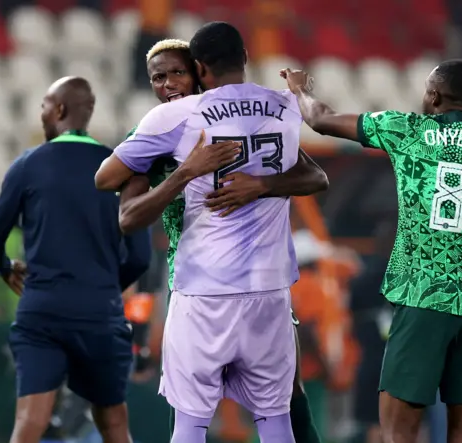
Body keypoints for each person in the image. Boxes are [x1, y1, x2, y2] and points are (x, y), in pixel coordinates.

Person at [281, 60, 462, 443]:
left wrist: (299, 89)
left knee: (398, 432)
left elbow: (322, 120)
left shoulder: (408, 130)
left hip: (422, 296)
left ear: (435, 95)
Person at [95, 22, 312, 443]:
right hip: (263, 286)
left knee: (195, 417)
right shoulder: (281, 108)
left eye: (177, 73)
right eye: (158, 77)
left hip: (203, 290)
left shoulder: (169, 119)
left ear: (198, 70)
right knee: (277, 410)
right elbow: (312, 171)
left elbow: (106, 180)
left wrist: (254, 184)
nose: (169, 84)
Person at [0, 77, 152, 443]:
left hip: (42, 309)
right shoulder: (122, 170)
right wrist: (104, 288)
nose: (41, 113)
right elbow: (140, 257)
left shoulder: (28, 165)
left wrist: (6, 267)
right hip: (99, 313)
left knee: (30, 420)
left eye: (43, 106)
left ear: (58, 110)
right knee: (114, 425)